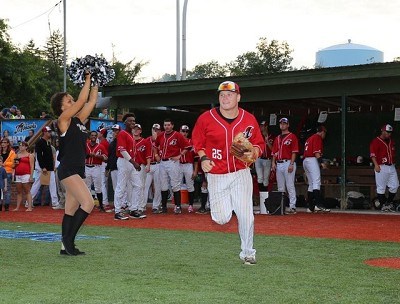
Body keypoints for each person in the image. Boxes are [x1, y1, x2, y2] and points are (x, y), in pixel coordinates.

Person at [192, 80, 264, 265]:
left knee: (246, 214)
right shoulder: (206, 118)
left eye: (230, 94)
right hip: (217, 174)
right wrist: (203, 158)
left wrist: (254, 152)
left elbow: (259, 144)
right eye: (222, 95)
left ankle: (248, 252)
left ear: (238, 97)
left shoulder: (249, 119)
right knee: (222, 218)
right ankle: (230, 202)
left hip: (241, 172)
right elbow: (197, 142)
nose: (225, 98)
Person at [50, 72, 99, 256]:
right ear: (61, 107)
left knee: (70, 210)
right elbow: (81, 101)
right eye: (68, 101)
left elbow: (90, 102)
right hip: (68, 169)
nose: (73, 102)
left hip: (77, 169)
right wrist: (86, 78)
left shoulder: (78, 121)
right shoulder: (63, 120)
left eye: (71, 100)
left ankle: (65, 248)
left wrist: (95, 82)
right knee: (88, 203)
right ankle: (68, 241)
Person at [154, 118, 191, 214]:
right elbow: (155, 145)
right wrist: (156, 155)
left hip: (172, 162)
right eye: (165, 125)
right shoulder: (161, 135)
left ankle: (178, 206)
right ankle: (164, 207)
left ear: (172, 125)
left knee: (175, 184)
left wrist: (179, 155)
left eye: (169, 125)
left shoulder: (177, 135)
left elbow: (187, 146)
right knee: (163, 185)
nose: (167, 127)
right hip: (162, 161)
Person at [113, 113, 141, 220]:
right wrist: (134, 163)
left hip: (130, 162)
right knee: (121, 186)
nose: (132, 122)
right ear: (125, 122)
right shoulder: (122, 133)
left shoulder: (131, 135)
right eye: (130, 121)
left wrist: (134, 163)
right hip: (124, 161)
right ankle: (118, 211)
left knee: (138, 185)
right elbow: (122, 150)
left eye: (134, 121)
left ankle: (133, 209)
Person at [271, 117, 299, 214]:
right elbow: (274, 152)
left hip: (288, 163)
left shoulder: (292, 136)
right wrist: (273, 163)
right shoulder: (277, 138)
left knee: (290, 185)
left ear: (288, 125)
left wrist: (291, 164)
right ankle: (281, 207)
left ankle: (292, 206)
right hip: (279, 163)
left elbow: (294, 152)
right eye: (281, 123)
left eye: (284, 123)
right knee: (280, 187)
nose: (282, 125)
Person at [370, 124, 399, 212]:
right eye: (387, 132)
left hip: (391, 166)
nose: (389, 134)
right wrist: (376, 165)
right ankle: (383, 205)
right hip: (381, 166)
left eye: (390, 132)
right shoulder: (376, 141)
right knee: (381, 188)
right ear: (382, 131)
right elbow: (372, 154)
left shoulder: (391, 141)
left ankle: (388, 203)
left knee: (395, 185)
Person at [30, 126, 59, 209]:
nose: (50, 133)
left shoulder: (48, 142)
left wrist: (52, 166)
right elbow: (39, 155)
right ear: (45, 132)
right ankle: (29, 200)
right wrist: (43, 167)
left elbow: (49, 156)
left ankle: (54, 202)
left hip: (49, 167)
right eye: (48, 132)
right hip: (42, 167)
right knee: (37, 184)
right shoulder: (40, 142)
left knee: (52, 184)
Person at [303, 125, 330, 213]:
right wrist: (322, 163)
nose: (324, 135)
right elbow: (317, 153)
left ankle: (310, 207)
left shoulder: (310, 138)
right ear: (322, 132)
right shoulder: (317, 137)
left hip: (305, 161)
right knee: (316, 182)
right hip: (311, 159)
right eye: (324, 133)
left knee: (311, 184)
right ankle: (318, 205)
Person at [129, 123, 151, 217]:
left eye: (138, 129)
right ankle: (132, 206)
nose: (136, 130)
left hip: (141, 166)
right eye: (134, 129)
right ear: (132, 130)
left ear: (141, 131)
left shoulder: (145, 141)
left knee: (141, 186)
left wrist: (148, 165)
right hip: (129, 166)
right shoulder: (129, 140)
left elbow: (148, 155)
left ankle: (140, 207)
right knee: (130, 187)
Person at [85, 131, 108, 212]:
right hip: (86, 167)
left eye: (95, 135)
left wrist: (97, 156)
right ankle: (87, 206)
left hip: (96, 167)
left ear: (97, 137)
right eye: (92, 135)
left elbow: (106, 158)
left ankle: (101, 206)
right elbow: (82, 155)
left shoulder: (100, 146)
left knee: (98, 187)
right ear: (89, 137)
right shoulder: (86, 145)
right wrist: (89, 155)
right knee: (86, 187)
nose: (93, 137)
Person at [179, 124, 198, 213]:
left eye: (186, 131)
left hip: (188, 165)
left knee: (190, 185)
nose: (185, 133)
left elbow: (196, 158)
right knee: (177, 185)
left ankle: (190, 205)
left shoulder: (191, 142)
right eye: (183, 131)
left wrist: (195, 171)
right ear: (180, 131)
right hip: (177, 164)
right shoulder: (176, 141)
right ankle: (177, 205)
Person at [144, 123, 162, 213]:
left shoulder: (162, 140)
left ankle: (156, 206)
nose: (155, 131)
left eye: (157, 129)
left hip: (158, 164)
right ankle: (142, 206)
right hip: (148, 165)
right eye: (154, 129)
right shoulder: (147, 140)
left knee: (158, 186)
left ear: (160, 131)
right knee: (145, 186)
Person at [12, 141, 34, 211]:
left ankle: (29, 207)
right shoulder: (17, 155)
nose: (21, 147)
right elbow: (13, 166)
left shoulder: (30, 155)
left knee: (27, 190)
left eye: (22, 145)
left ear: (26, 147)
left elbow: (32, 166)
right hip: (18, 174)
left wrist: (31, 176)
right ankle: (17, 207)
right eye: (20, 145)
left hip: (26, 174)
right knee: (19, 191)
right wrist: (15, 164)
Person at [254, 121, 275, 192]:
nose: (261, 127)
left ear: (266, 127)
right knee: (260, 178)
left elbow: (273, 150)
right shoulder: (258, 136)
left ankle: (264, 198)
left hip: (267, 159)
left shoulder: (271, 136)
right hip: (259, 159)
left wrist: (267, 140)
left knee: (266, 179)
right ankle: (261, 195)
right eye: (260, 126)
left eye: (262, 126)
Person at [105, 124, 121, 213]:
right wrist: (108, 168)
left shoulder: (121, 141)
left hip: (121, 167)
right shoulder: (112, 143)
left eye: (116, 131)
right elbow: (110, 157)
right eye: (114, 131)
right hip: (113, 168)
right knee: (116, 188)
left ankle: (123, 205)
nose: (115, 132)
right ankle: (117, 205)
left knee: (121, 187)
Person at [0, 137, 16, 211]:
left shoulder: (12, 153)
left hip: (8, 172)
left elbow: (13, 164)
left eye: (5, 142)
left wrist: (4, 164)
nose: (3, 144)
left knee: (7, 189)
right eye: (2, 142)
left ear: (8, 143)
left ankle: (6, 205)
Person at [97, 128, 110, 211]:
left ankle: (105, 202)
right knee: (102, 183)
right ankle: (104, 202)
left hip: (103, 164)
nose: (98, 134)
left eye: (98, 132)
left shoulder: (104, 143)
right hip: (101, 164)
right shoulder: (102, 142)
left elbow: (106, 156)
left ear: (102, 134)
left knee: (102, 183)